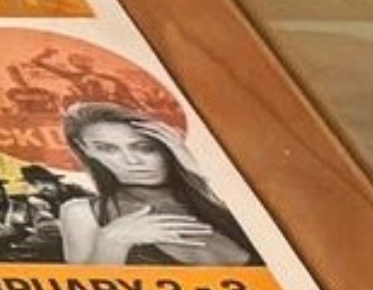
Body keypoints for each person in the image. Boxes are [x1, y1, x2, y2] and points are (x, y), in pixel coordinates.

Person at [57, 102, 259, 266]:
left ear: (169, 146)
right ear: (86, 150)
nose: (132, 161)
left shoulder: (217, 197)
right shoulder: (82, 213)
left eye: (145, 148)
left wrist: (194, 167)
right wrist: (112, 243)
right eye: (107, 149)